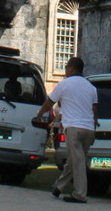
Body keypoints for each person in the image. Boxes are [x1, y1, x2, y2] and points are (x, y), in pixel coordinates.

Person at [37, 56, 98, 203]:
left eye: (66, 68)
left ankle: (80, 193)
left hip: (74, 128)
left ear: (71, 69)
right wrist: (94, 128)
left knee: (77, 161)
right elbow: (95, 110)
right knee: (74, 160)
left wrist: (39, 114)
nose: (65, 71)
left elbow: (49, 102)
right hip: (88, 129)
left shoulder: (64, 84)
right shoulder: (91, 87)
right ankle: (59, 187)